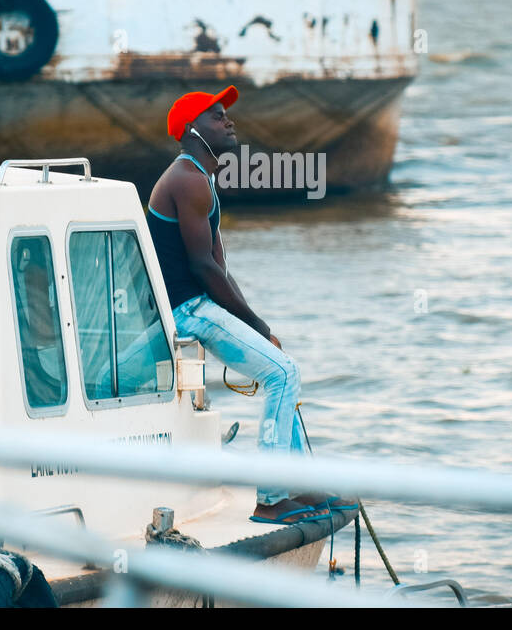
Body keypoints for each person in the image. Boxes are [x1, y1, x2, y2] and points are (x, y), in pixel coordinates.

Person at [146, 86, 355, 525]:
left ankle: (298, 484)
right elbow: (204, 268)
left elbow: (220, 266)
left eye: (226, 116)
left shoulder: (202, 179)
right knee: (283, 374)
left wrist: (260, 328)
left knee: (279, 366)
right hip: (185, 309)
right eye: (217, 116)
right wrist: (256, 324)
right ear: (192, 130)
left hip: (200, 302)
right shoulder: (186, 179)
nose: (229, 122)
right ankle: (271, 498)